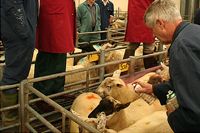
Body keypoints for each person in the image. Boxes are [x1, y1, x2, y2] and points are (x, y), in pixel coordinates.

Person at [134, 0, 200, 132]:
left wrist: (173, 118)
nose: (153, 35)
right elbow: (188, 81)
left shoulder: (181, 46)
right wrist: (154, 89)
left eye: (152, 29)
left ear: (160, 24)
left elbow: (194, 112)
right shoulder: (194, 31)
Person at [0, 0, 38, 124]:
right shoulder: (22, 34)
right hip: (19, 35)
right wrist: (25, 32)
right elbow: (12, 4)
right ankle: (9, 117)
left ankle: (14, 112)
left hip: (19, 34)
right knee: (13, 75)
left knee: (19, 74)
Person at [33, 0, 75, 96]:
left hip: (63, 31)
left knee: (59, 66)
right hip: (50, 33)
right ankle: (42, 96)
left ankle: (58, 92)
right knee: (47, 67)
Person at [124, 0, 158, 69]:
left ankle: (123, 70)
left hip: (135, 20)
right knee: (148, 48)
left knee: (131, 46)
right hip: (147, 19)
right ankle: (150, 71)